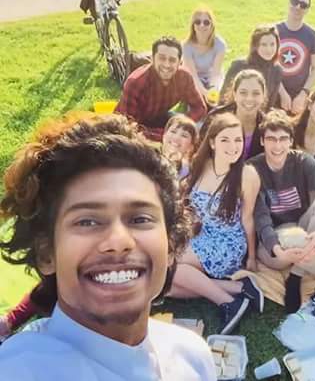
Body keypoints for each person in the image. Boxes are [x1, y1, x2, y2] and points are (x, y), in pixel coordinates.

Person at [0, 112, 216, 380]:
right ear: (47, 253)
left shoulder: (193, 355)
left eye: (140, 219)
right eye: (88, 221)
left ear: (170, 244)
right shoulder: (18, 370)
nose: (119, 242)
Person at [249, 110, 315, 313]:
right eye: (271, 139)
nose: (277, 146)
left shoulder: (301, 160)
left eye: (283, 139)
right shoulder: (253, 169)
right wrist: (277, 250)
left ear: (290, 140)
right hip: (272, 243)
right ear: (262, 141)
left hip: (302, 226)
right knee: (297, 237)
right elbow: (261, 218)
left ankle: (295, 277)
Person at [169, 113, 263, 335]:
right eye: (225, 140)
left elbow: (247, 219)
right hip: (199, 235)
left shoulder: (247, 175)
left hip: (227, 242)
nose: (233, 146)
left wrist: (250, 257)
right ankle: (239, 288)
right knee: (167, 288)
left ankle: (228, 303)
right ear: (212, 142)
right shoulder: (199, 165)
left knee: (168, 268)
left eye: (238, 140)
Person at [116, 36, 207, 141]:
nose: (167, 65)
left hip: (159, 116)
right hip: (129, 124)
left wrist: (180, 127)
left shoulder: (184, 77)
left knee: (200, 129)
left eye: (172, 60)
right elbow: (128, 127)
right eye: (162, 58)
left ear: (179, 62)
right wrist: (166, 135)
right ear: (152, 58)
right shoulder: (135, 82)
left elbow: (199, 107)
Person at [203, 70, 267, 159]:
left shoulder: (267, 127)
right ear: (235, 94)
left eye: (256, 93)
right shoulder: (215, 118)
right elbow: (201, 154)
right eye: (243, 93)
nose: (249, 98)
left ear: (263, 96)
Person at [276, 0, 315, 115]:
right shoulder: (274, 31)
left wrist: (303, 94)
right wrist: (282, 92)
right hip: (274, 90)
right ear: (289, 3)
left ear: (307, 10)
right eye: (295, 2)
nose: (298, 7)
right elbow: (267, 64)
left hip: (299, 95)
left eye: (303, 5)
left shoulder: (313, 36)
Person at [219, 25, 283, 109]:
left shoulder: (277, 70)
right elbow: (223, 99)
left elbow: (270, 104)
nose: (269, 49)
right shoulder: (238, 66)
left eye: (272, 44)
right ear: (255, 46)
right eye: (264, 45)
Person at [182, 6, 227, 98]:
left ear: (212, 26)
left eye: (206, 22)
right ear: (193, 26)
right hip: (194, 78)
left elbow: (216, 73)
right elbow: (192, 75)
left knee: (219, 98)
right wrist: (204, 92)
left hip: (212, 77)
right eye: (197, 22)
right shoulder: (186, 46)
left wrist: (212, 89)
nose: (202, 25)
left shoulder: (220, 44)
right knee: (196, 97)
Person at [162, 114, 198, 179]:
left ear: (191, 146)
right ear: (164, 135)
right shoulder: (151, 158)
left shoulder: (186, 173)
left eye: (184, 135)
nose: (176, 138)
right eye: (173, 131)